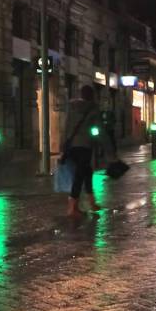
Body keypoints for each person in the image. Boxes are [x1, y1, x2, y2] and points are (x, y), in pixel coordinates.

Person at [63, 85, 102, 216]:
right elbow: (96, 129)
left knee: (86, 171)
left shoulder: (72, 107)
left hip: (72, 145)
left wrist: (65, 142)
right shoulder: (93, 108)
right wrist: (96, 139)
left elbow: (67, 125)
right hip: (85, 145)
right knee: (80, 175)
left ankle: (90, 202)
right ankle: (72, 207)